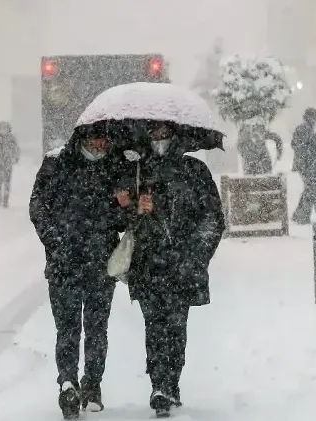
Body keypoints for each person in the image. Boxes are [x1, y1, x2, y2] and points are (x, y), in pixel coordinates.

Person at [116, 122, 225, 417]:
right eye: (155, 134)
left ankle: (171, 382)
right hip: (148, 264)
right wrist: (134, 209)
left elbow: (213, 218)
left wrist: (195, 254)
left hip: (182, 266)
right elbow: (124, 221)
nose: (160, 140)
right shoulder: (138, 171)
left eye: (165, 134)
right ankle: (159, 385)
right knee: (155, 326)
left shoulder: (195, 171)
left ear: (176, 136)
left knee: (176, 329)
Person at [29, 127, 123, 420]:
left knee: (97, 329)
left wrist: (123, 206)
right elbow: (38, 208)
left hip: (100, 264)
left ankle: (92, 385)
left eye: (104, 140)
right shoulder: (56, 163)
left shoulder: (114, 166)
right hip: (64, 265)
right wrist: (58, 244)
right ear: (81, 138)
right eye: (95, 139)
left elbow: (121, 220)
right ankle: (68, 382)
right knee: (68, 329)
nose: (100, 144)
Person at [291, 108, 316, 224]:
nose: (315, 119)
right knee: (310, 189)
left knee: (309, 189)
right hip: (305, 164)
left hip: (306, 164)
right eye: (314, 117)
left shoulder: (308, 129)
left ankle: (299, 214)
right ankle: (303, 215)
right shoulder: (304, 129)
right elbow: (298, 146)